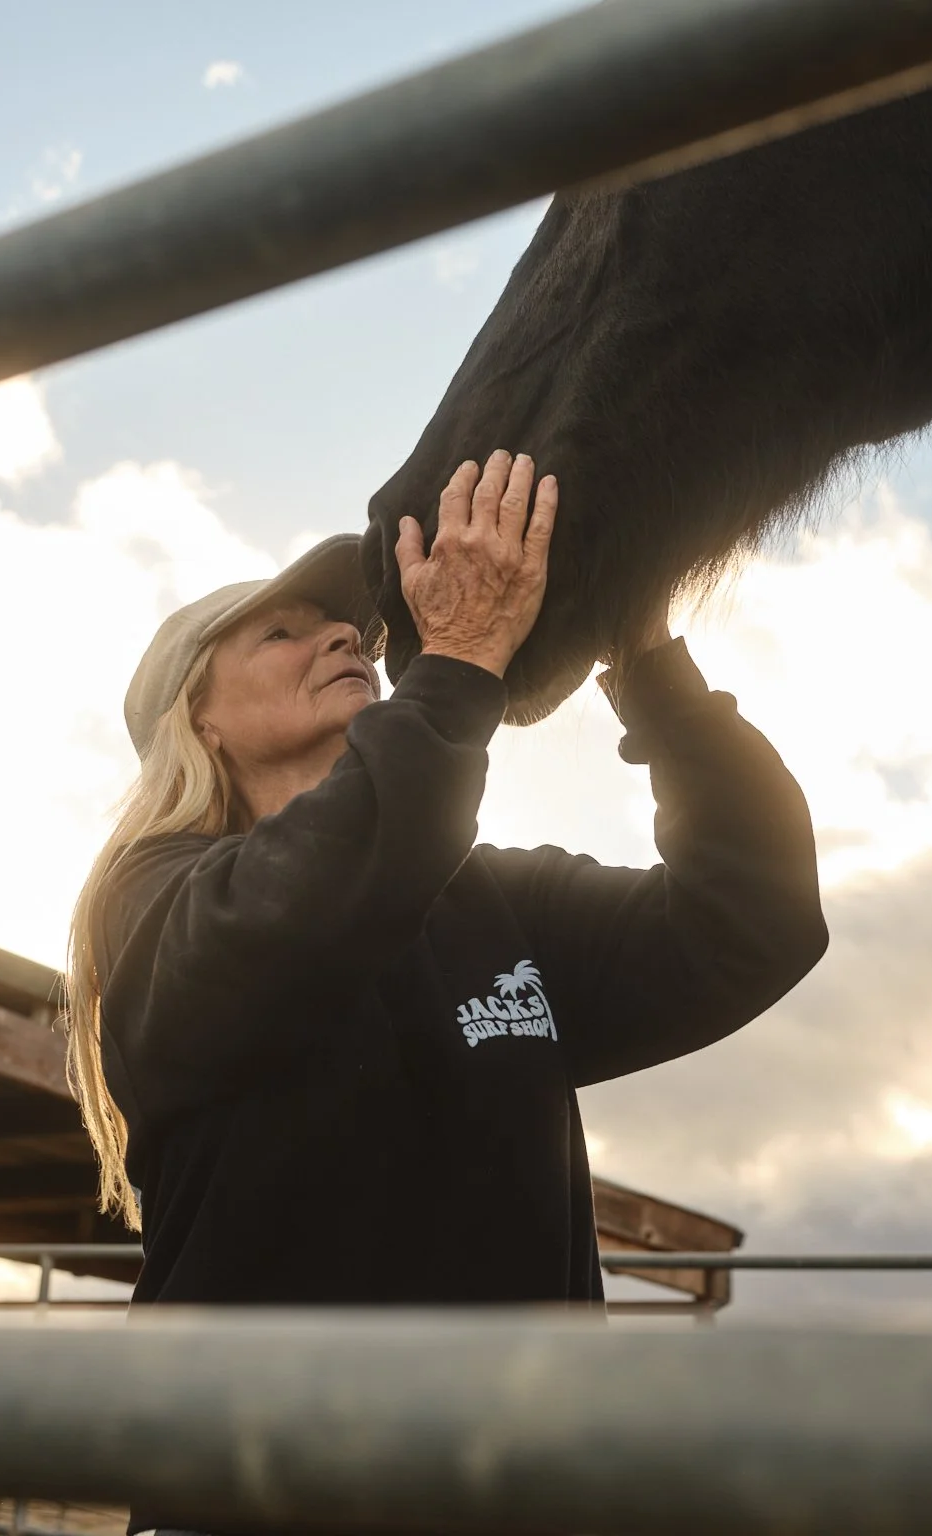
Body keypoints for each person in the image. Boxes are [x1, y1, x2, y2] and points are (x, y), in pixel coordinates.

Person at [63, 449, 827, 1311]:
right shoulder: (153, 902)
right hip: (264, 1440)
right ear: (199, 720)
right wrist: (462, 657)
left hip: (516, 1440)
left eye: (343, 626)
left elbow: (755, 916)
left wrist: (645, 658)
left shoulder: (491, 904)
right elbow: (316, 895)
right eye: (281, 632)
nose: (346, 635)